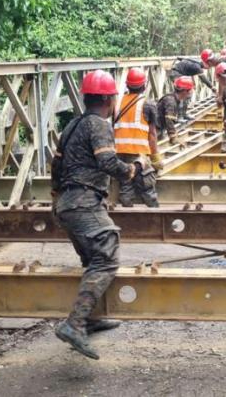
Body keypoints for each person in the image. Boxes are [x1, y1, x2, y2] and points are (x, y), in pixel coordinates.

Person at [50, 70, 138, 360]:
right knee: (106, 256)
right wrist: (130, 171)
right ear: (108, 99)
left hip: (67, 203)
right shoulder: (99, 124)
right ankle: (74, 324)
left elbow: (56, 165)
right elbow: (107, 162)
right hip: (84, 202)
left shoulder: (72, 125)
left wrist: (56, 198)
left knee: (91, 260)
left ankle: (90, 318)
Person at [114, 68, 161, 207]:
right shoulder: (148, 104)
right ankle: (154, 212)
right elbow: (152, 134)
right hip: (138, 154)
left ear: (127, 85)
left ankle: (126, 213)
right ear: (144, 85)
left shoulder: (117, 102)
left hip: (118, 152)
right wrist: (155, 157)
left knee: (125, 185)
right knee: (147, 185)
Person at [169, 52, 214, 121]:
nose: (209, 67)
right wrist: (212, 87)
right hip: (176, 74)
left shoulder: (196, 64)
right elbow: (204, 79)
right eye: (209, 65)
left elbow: (190, 72)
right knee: (183, 93)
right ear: (205, 63)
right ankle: (179, 116)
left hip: (180, 74)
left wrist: (193, 83)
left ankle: (184, 114)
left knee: (188, 93)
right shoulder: (197, 67)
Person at [157, 76, 194, 147]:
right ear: (184, 91)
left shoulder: (174, 99)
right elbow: (169, 118)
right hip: (154, 129)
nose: (191, 92)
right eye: (190, 90)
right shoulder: (171, 101)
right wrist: (173, 136)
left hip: (159, 128)